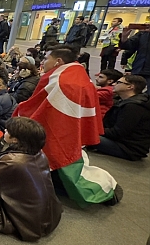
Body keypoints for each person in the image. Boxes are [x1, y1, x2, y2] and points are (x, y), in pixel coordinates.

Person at [14, 45, 122, 207]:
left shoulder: (62, 81)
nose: (43, 62)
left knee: (60, 169)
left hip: (59, 131)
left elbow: (47, 110)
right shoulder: (77, 75)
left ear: (58, 61)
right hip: (69, 131)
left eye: (46, 59)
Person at [0, 117, 62, 241]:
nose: (5, 130)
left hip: (23, 223)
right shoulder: (39, 154)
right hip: (45, 217)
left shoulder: (12, 162)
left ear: (15, 139)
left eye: (8, 130)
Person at [89, 75, 150, 161]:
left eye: (118, 82)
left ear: (130, 86)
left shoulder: (133, 107)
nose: (114, 84)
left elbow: (118, 132)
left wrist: (95, 130)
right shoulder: (124, 101)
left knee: (85, 135)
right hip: (124, 143)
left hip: (128, 148)